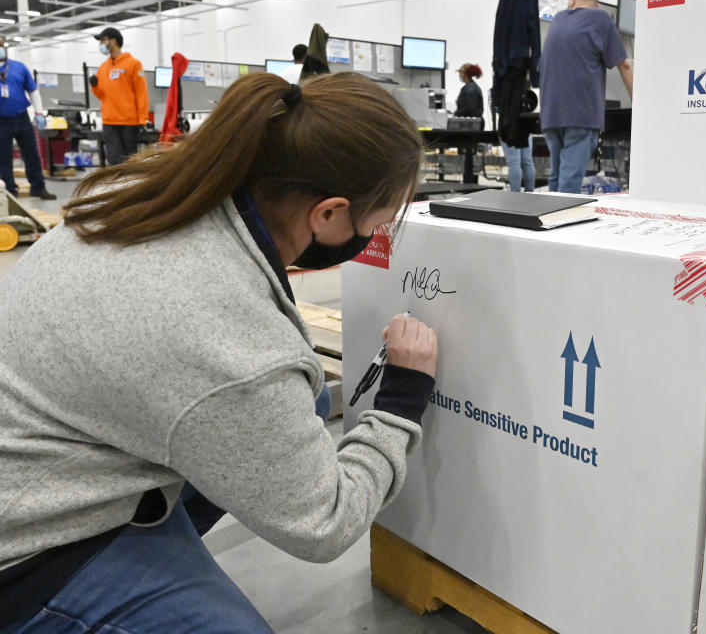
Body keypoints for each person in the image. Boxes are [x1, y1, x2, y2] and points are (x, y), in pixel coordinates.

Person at [0, 72, 435, 632]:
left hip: (45, 455)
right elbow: (325, 522)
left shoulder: (138, 192)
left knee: (293, 415)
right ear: (328, 214)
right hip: (32, 551)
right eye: (385, 217)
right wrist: (400, 401)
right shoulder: (229, 343)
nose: (384, 230)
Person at [539, 0, 633, 193]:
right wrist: (639, 104)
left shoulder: (558, 20)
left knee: (556, 178)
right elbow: (624, 64)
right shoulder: (600, 18)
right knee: (569, 183)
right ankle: (561, 220)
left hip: (551, 114)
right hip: (580, 113)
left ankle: (549, 219)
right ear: (597, 3)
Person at [0, 38, 55, 200]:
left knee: (31, 153)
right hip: (1, 121)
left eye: (2, 45)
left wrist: (39, 112)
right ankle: (9, 191)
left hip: (21, 117)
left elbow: (33, 91)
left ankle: (38, 187)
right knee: (3, 157)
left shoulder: (19, 67)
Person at [89, 28, 149, 166]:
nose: (101, 45)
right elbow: (102, 95)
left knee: (131, 161)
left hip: (129, 121)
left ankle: (133, 187)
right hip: (109, 121)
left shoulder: (133, 64)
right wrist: (95, 86)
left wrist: (142, 118)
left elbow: (141, 92)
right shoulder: (103, 67)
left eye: (103, 40)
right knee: (114, 161)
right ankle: (118, 187)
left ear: (113, 41)